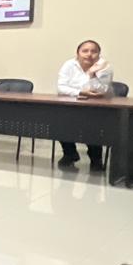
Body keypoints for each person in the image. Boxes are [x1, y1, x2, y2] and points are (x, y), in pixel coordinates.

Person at [55, 39, 114, 171]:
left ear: (99, 54)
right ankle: (70, 154)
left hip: (97, 108)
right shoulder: (69, 65)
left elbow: (101, 91)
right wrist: (80, 92)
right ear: (78, 53)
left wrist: (92, 75)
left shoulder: (104, 67)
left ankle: (95, 159)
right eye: (85, 51)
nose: (89, 54)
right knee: (58, 121)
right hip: (72, 105)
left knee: (92, 127)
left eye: (94, 51)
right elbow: (61, 87)